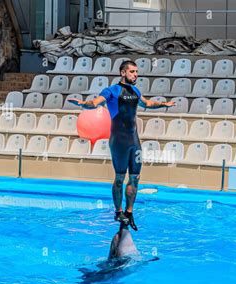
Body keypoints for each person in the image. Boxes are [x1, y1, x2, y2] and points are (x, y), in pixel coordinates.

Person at [68, 60, 175, 231]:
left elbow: (147, 103)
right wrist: (83, 104)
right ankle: (118, 211)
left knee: (135, 178)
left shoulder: (135, 91)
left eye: (137, 72)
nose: (136, 75)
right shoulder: (112, 91)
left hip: (134, 141)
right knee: (119, 178)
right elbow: (96, 103)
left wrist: (164, 104)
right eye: (132, 72)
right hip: (118, 141)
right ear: (123, 73)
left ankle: (129, 212)